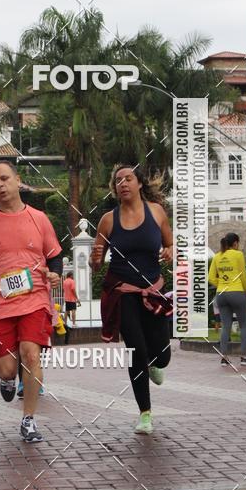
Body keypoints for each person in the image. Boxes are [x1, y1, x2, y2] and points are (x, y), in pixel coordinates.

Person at [0, 161, 62, 444]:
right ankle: (7, 378)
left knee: (31, 354)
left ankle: (28, 420)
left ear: (17, 180)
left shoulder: (38, 218)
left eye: (4, 179)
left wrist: (55, 272)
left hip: (34, 300)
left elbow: (54, 254)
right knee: (8, 367)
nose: (0, 185)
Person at [91, 165, 172, 436]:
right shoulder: (108, 220)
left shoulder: (157, 211)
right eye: (118, 181)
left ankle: (155, 362)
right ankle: (145, 414)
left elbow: (169, 242)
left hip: (154, 290)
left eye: (128, 179)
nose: (123, 183)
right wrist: (94, 259)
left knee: (163, 355)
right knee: (135, 350)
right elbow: (96, 261)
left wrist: (170, 250)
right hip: (123, 292)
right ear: (115, 189)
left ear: (139, 184)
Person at [208, 233, 246, 366]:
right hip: (237, 292)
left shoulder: (217, 256)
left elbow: (211, 278)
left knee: (225, 327)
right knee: (244, 325)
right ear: (235, 243)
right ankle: (244, 356)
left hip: (221, 294)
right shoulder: (238, 254)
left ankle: (224, 358)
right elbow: (243, 277)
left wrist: (223, 285)